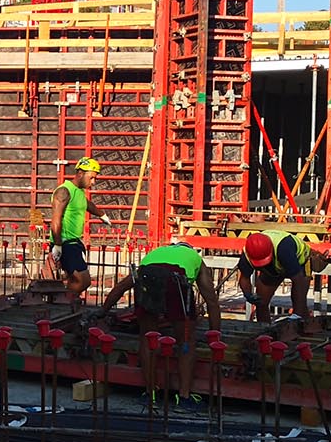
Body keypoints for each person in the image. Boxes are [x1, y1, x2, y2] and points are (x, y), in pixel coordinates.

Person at [104, 242, 221, 405]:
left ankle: (150, 393)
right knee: (185, 341)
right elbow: (212, 302)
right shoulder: (196, 259)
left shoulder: (156, 254)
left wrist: (102, 312)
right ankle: (184, 397)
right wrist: (214, 336)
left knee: (148, 338)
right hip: (176, 280)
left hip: (147, 277)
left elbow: (120, 288)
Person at [48, 157, 111, 300]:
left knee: (75, 279)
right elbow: (56, 220)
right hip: (65, 243)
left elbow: (87, 205)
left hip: (74, 242)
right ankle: (64, 302)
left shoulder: (79, 192)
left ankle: (65, 301)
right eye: (92, 178)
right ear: (81, 173)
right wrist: (57, 245)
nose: (93, 182)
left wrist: (102, 215)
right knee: (83, 280)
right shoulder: (64, 191)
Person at [236, 230, 325, 325]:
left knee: (299, 304)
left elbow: (298, 281)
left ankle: (303, 329)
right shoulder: (248, 253)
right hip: (275, 266)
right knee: (261, 302)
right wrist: (248, 294)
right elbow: (244, 278)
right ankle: (264, 329)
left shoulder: (284, 248)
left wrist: (297, 314)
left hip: (301, 263)